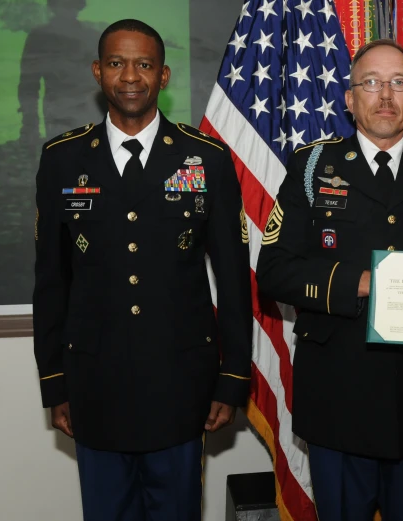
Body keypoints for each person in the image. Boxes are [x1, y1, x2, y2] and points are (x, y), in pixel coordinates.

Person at [32, 19, 252, 521]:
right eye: (117, 63)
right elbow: (51, 282)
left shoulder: (207, 159)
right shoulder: (62, 160)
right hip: (94, 387)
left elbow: (235, 281)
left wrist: (231, 378)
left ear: (164, 76)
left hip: (179, 387)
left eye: (144, 64)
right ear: (97, 72)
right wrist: (55, 380)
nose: (130, 76)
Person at [256, 39, 403, 521]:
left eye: (399, 83)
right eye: (371, 83)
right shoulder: (313, 167)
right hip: (339, 395)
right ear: (349, 98)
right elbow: (274, 271)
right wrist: (363, 281)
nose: (385, 95)